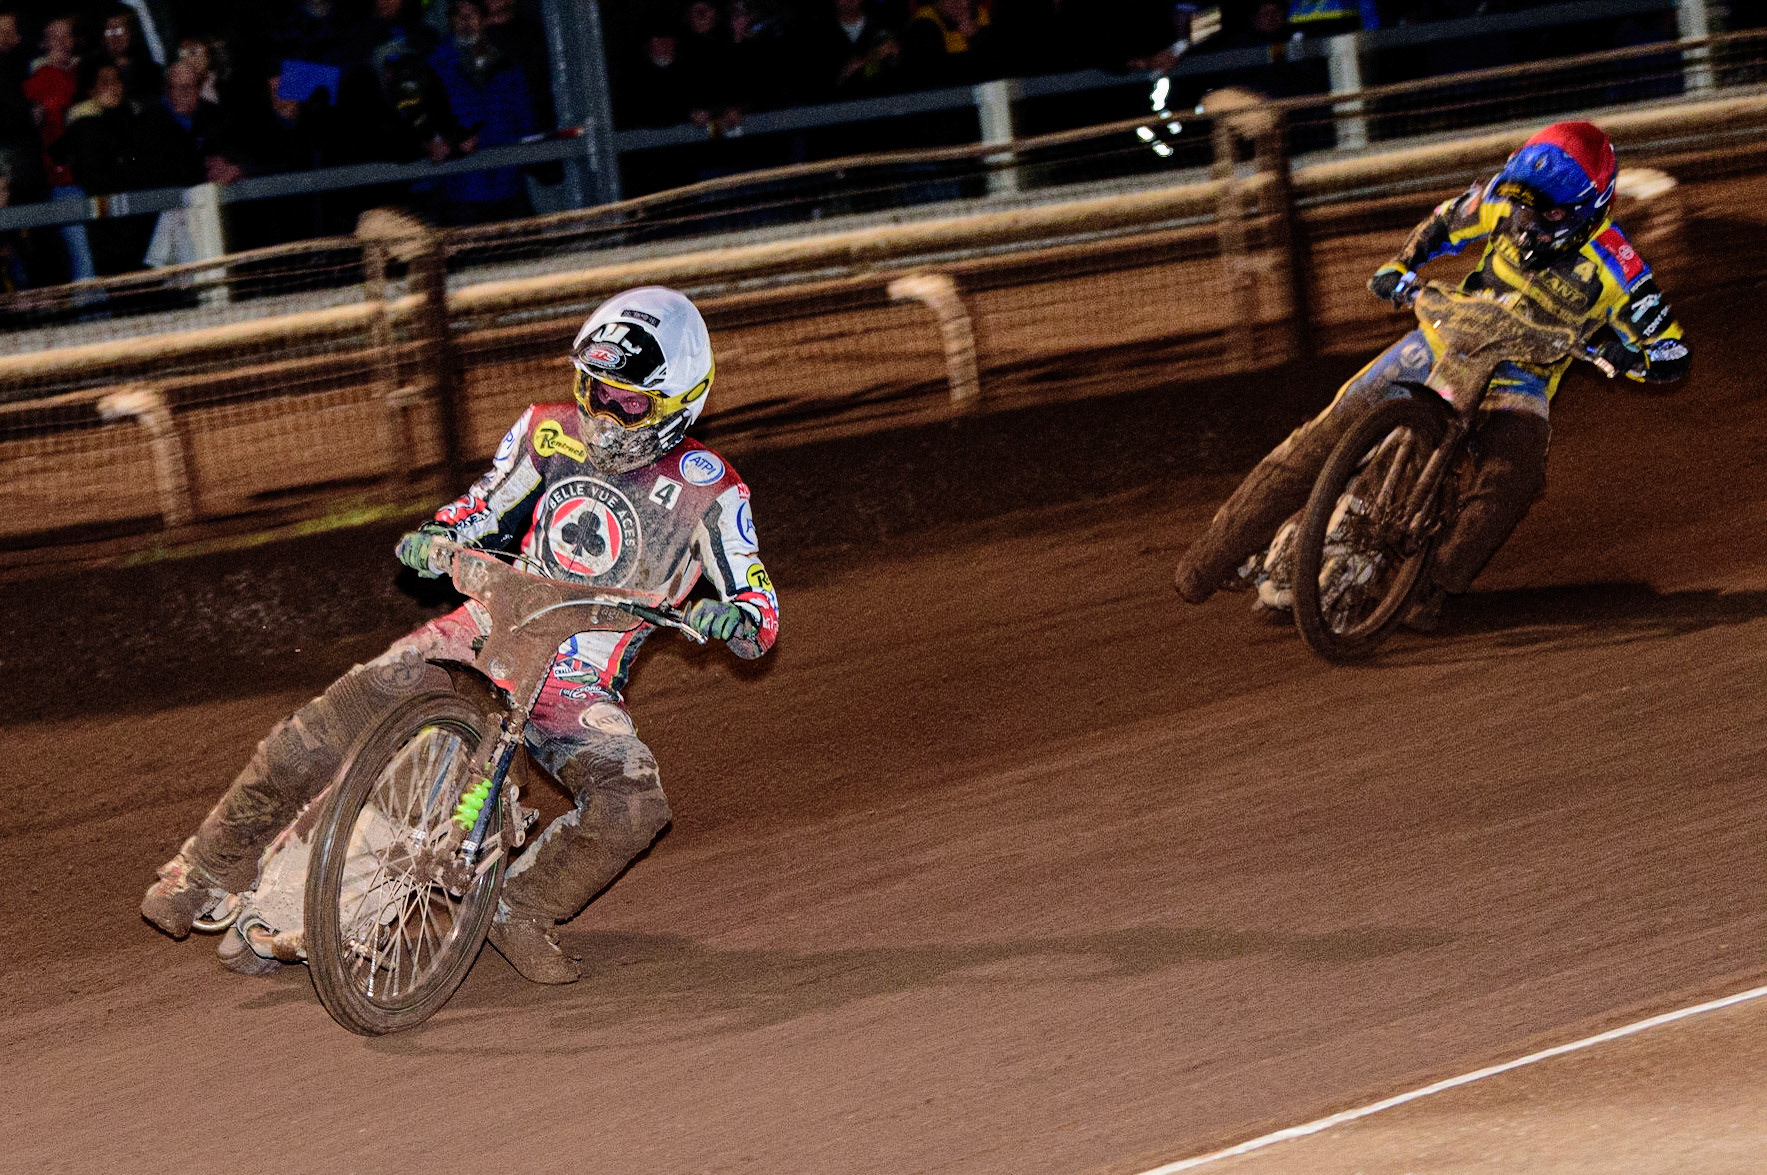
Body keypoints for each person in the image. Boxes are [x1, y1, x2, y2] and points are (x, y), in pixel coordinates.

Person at [142, 287, 781, 985]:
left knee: (634, 803)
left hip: (574, 677)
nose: (604, 412)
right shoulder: (548, 430)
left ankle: (518, 904)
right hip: (488, 621)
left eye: (628, 402)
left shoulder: (710, 489)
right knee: (329, 719)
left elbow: (757, 603)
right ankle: (204, 866)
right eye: (595, 390)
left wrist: (736, 621)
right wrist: (440, 534)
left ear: (679, 400)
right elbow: (484, 504)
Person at [1173, 121, 1690, 629]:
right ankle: (1210, 559)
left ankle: (1431, 586)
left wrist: (1628, 358)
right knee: (1325, 435)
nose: (1526, 219)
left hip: (1520, 375)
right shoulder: (1503, 202)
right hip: (1444, 338)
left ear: (1588, 210)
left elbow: (1672, 351)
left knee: (1514, 479)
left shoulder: (1620, 268)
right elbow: (1446, 221)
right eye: (1524, 205)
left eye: (1544, 211)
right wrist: (1401, 266)